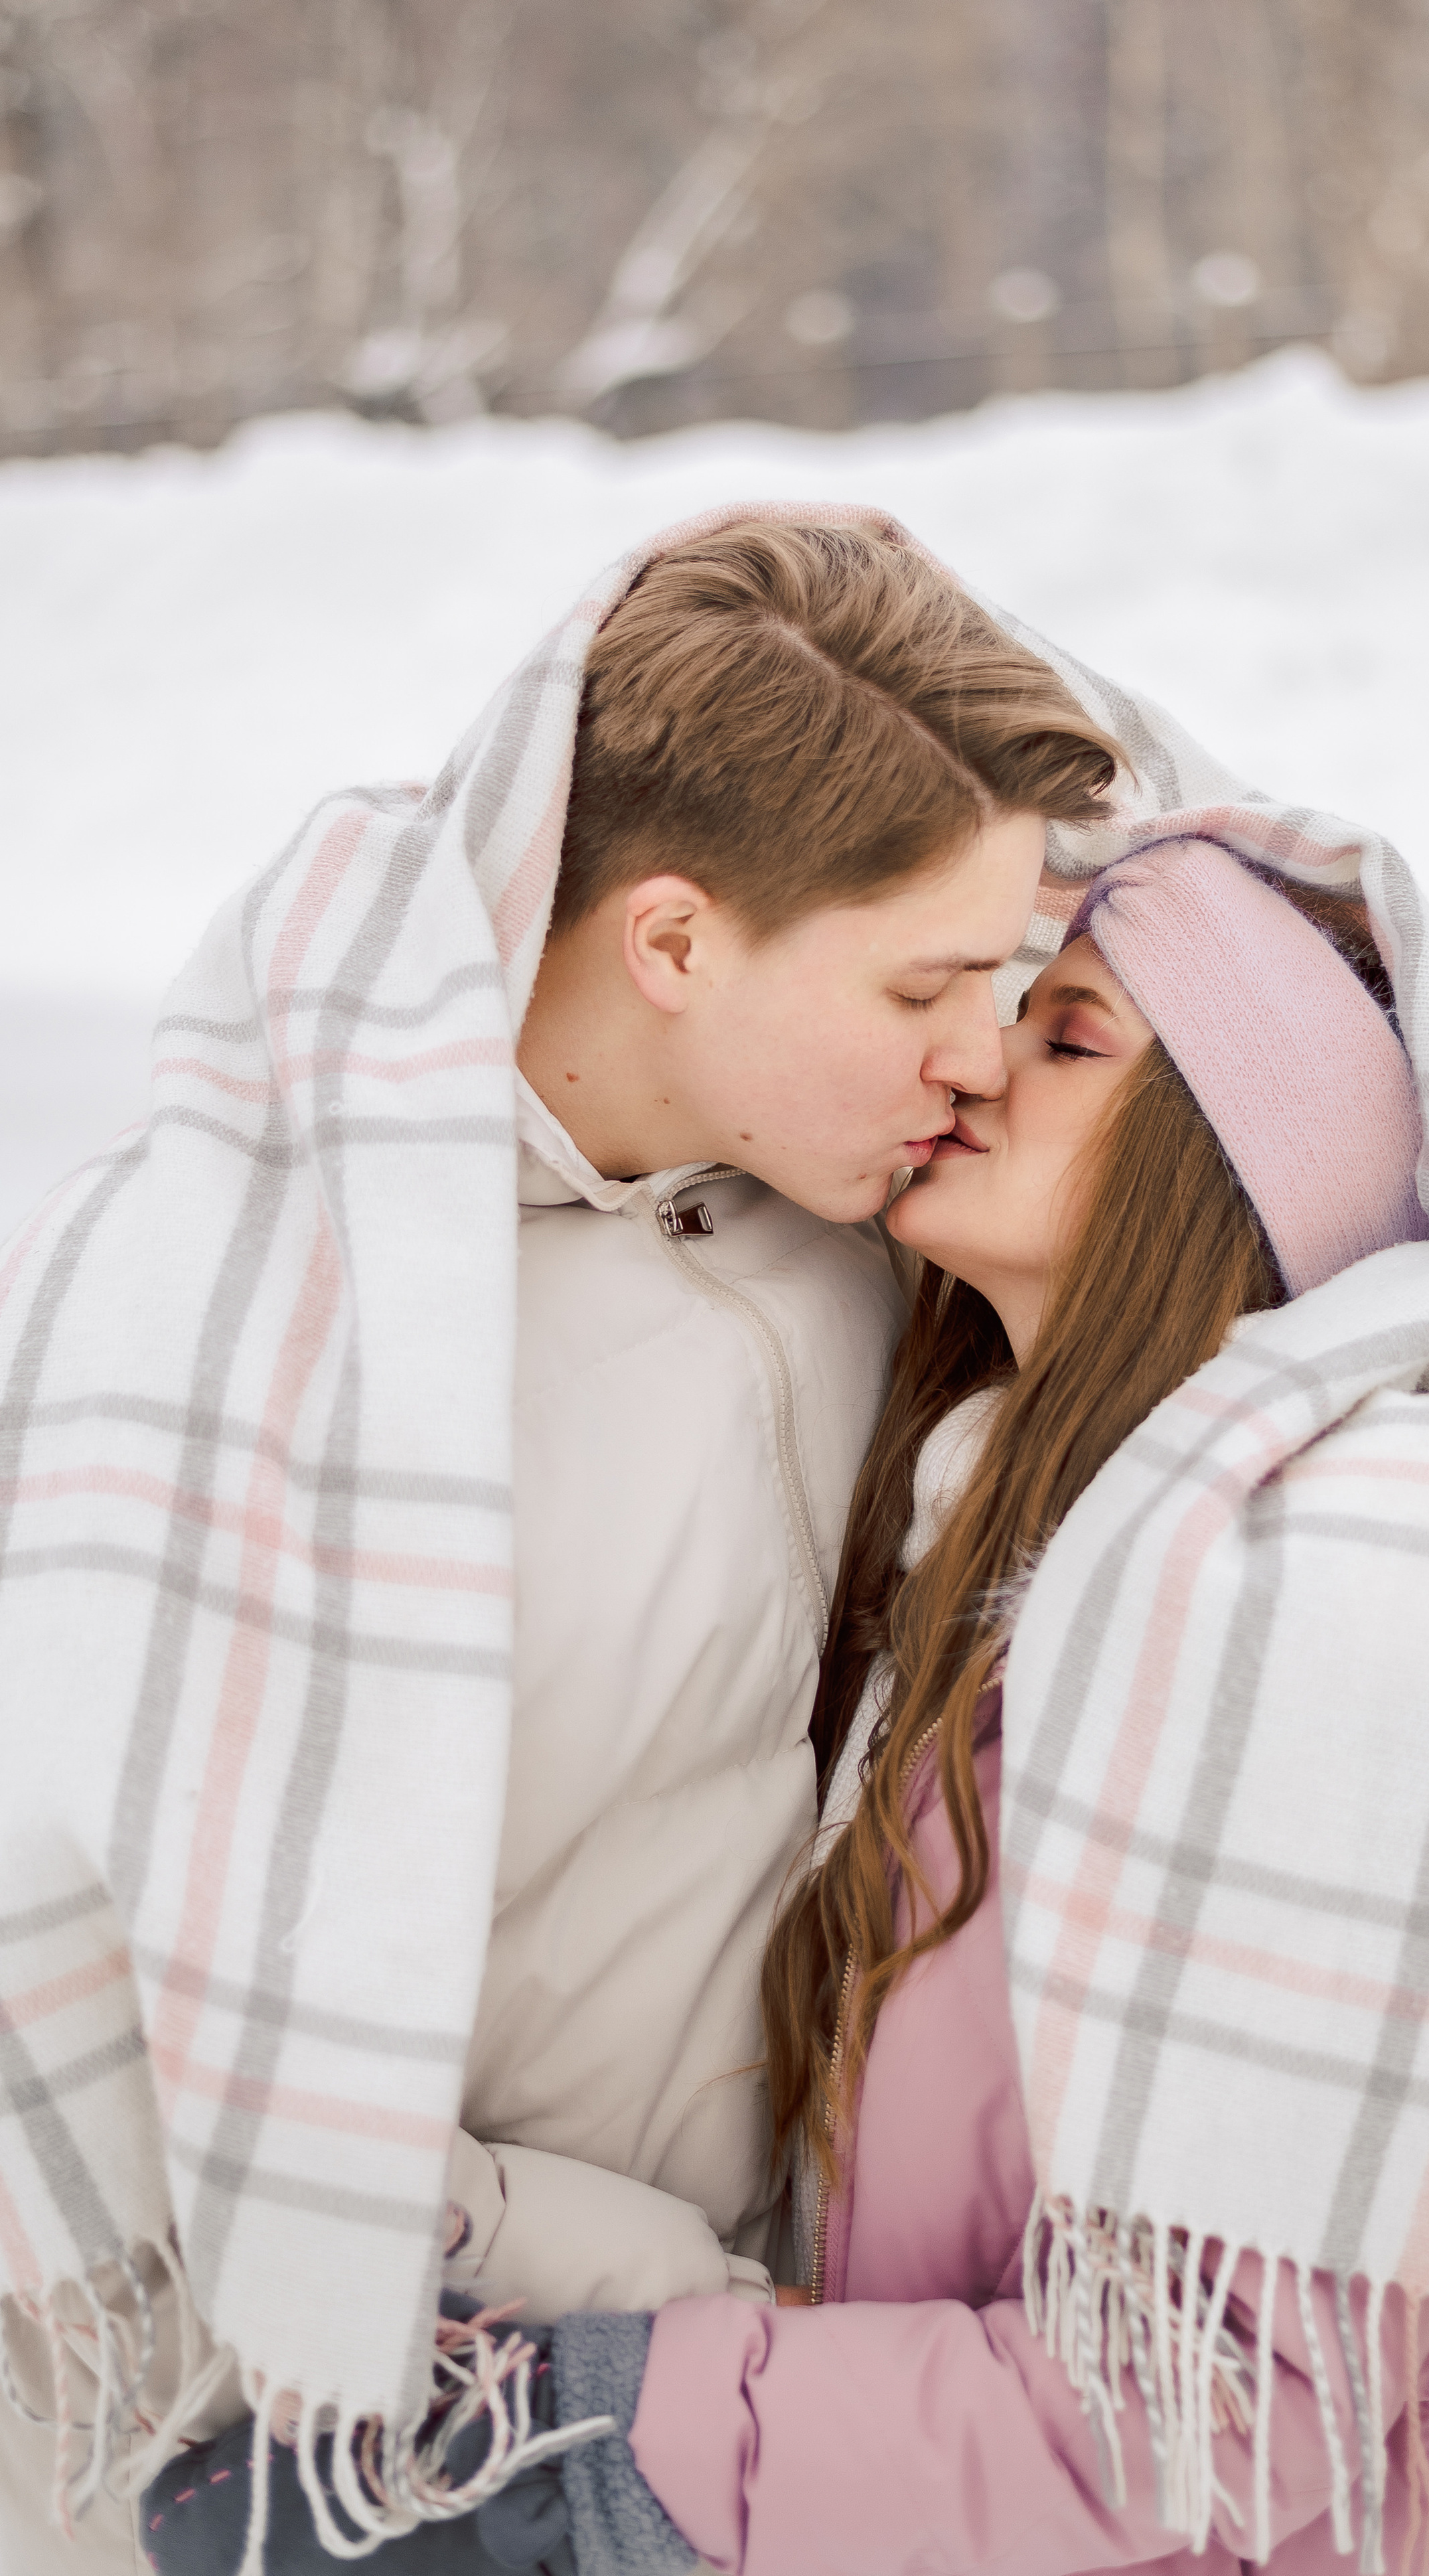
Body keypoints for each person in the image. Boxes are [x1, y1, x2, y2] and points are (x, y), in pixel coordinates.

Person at [145, 793, 1429, 2569]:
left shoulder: (1331, 1638)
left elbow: (1222, 2416)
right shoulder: (1015, 1595)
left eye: (1066, 1033)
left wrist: (605, 2424)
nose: (974, 1062)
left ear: (1225, 1154)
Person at [0, 507, 1126, 2568]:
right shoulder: (218, 1321)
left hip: (709, 2423)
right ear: (676, 945)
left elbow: (1240, 943)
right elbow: (114, 2017)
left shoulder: (848, 1217)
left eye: (1016, 979)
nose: (983, 1053)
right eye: (928, 984)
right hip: (293, 2429)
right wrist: (646, 2287)